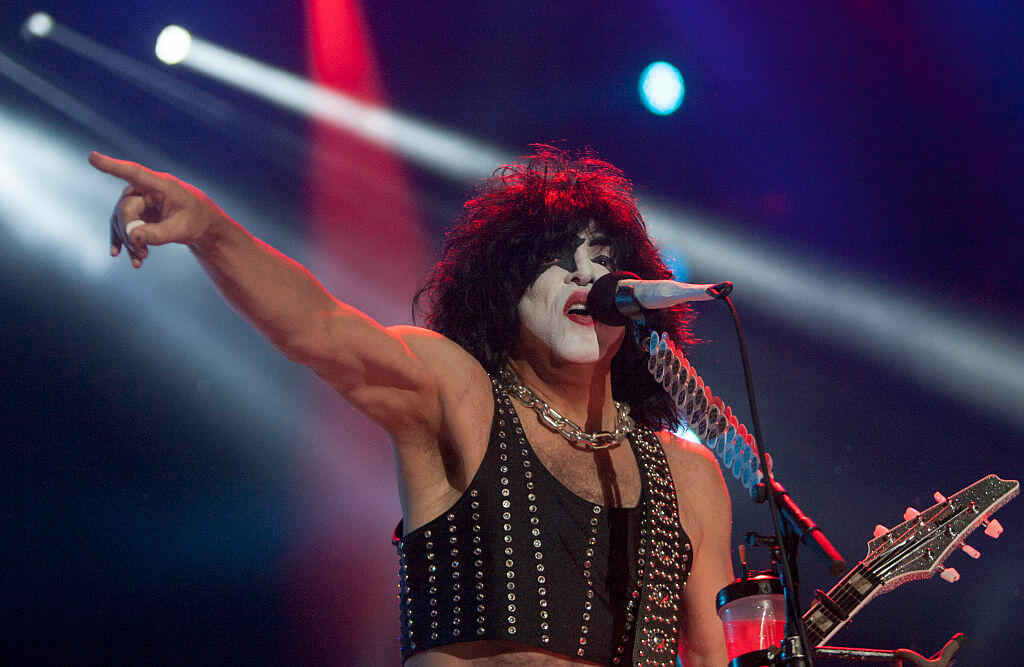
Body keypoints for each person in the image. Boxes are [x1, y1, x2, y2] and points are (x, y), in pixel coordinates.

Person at [89, 145, 733, 666]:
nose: (586, 279)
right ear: (503, 293)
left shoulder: (688, 475)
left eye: (603, 264)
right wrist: (211, 230)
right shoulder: (460, 395)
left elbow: (710, 654)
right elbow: (320, 328)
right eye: (555, 264)